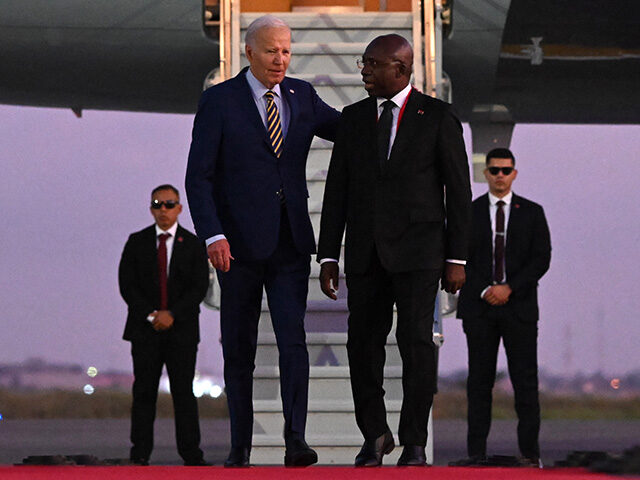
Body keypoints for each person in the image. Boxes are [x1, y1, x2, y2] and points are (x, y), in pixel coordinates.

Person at [185, 15, 340, 467]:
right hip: (236, 247)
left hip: (290, 241)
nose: (280, 59)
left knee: (294, 342)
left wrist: (393, 107)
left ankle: (296, 442)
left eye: (287, 51)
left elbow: (346, 129)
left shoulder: (302, 95)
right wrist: (212, 232)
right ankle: (240, 447)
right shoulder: (219, 101)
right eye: (272, 50)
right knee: (240, 348)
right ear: (249, 52)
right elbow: (199, 177)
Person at [317, 34, 471, 467]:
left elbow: (459, 192)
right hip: (365, 253)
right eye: (362, 62)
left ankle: (415, 441)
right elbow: (337, 191)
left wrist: (457, 258)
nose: (363, 70)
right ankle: (376, 435)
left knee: (416, 344)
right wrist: (328, 253)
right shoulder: (353, 118)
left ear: (400, 70)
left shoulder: (437, 117)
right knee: (361, 345)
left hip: (421, 253)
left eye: (372, 63)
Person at [454, 148, 551, 467]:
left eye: (505, 170)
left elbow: (541, 259)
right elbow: (458, 257)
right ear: (485, 174)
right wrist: (485, 289)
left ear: (514, 173)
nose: (499, 175)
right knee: (479, 383)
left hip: (518, 308)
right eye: (494, 170)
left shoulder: (532, 212)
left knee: (525, 382)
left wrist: (509, 288)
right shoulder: (469, 212)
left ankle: (530, 453)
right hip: (479, 309)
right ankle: (475, 454)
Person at [118, 184, 210, 466]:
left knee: (184, 393)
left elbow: (199, 287)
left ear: (179, 208)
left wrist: (172, 315)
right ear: (151, 209)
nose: (163, 210)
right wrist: (152, 315)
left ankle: (191, 454)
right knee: (143, 392)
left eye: (169, 204)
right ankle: (140, 453)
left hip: (181, 331)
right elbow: (127, 285)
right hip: (145, 331)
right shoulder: (137, 242)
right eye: (158, 204)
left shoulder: (193, 244)